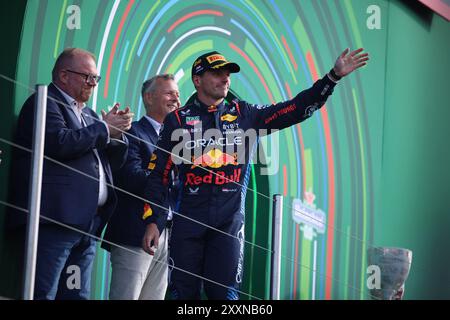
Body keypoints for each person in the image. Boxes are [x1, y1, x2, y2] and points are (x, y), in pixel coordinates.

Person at [141, 49, 369, 299]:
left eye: (227, 73)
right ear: (198, 80)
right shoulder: (177, 120)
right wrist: (154, 220)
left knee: (225, 297)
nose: (225, 78)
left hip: (228, 226)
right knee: (182, 296)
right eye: (217, 73)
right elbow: (158, 175)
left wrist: (332, 78)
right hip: (187, 224)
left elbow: (294, 108)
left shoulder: (244, 114)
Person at [7, 48, 133, 300]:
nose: (93, 84)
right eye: (88, 77)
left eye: (96, 79)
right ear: (64, 75)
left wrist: (116, 136)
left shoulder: (88, 113)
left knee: (76, 296)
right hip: (55, 220)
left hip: (87, 223)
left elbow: (110, 161)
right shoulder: (44, 102)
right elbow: (60, 142)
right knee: (44, 293)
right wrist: (104, 130)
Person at [102, 74, 181, 300]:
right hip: (135, 232)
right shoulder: (133, 132)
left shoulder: (180, 140)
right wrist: (169, 175)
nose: (176, 99)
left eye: (177, 94)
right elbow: (130, 177)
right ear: (149, 97)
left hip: (168, 234)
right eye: (169, 93)